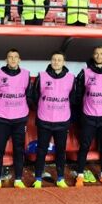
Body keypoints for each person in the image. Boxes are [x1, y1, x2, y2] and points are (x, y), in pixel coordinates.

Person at [0, 49, 33, 188]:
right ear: (6, 60)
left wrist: (25, 111)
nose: (13, 59)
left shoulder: (26, 75)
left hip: (19, 119)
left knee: (19, 149)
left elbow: (30, 96)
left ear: (19, 60)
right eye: (10, 57)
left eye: (15, 57)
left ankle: (18, 179)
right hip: (2, 119)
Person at [75, 46, 102, 187]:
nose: (99, 56)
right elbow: (78, 94)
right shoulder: (85, 73)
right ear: (93, 56)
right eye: (96, 54)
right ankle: (80, 175)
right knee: (84, 146)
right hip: (89, 116)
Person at [32, 51, 76, 188]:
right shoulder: (42, 76)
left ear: (64, 62)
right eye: (54, 59)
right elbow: (34, 97)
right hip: (44, 120)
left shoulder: (71, 78)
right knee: (41, 150)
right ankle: (38, 179)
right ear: (51, 61)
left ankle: (60, 178)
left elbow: (74, 99)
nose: (56, 62)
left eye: (59, 60)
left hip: (62, 121)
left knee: (61, 151)